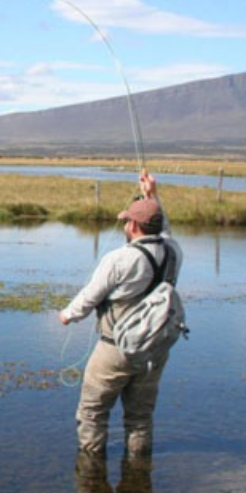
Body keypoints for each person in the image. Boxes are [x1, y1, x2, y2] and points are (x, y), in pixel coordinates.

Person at [58, 169, 182, 457]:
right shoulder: (174, 251)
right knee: (140, 416)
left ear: (134, 226)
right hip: (155, 348)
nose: (125, 225)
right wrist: (152, 196)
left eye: (127, 220)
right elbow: (164, 230)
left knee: (92, 412)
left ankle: (91, 470)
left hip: (116, 349)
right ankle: (139, 471)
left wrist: (67, 315)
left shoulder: (119, 258)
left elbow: (91, 296)